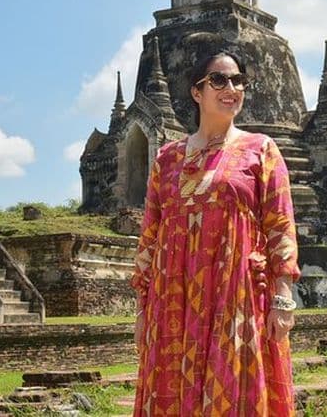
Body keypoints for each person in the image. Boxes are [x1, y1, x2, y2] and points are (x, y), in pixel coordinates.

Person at [131, 52, 300, 416]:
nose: (231, 88)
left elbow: (280, 226)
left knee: (234, 388)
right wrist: (142, 308)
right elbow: (150, 237)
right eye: (219, 80)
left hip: (236, 293)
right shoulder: (167, 159)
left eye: (238, 81)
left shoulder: (261, 150)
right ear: (197, 92)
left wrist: (283, 299)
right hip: (173, 296)